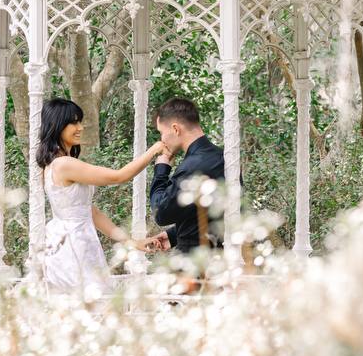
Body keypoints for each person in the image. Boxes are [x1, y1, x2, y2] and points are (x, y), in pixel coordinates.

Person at [36, 98, 169, 295]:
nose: (80, 127)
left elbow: (91, 212)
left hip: (78, 238)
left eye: (80, 121)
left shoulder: (57, 164)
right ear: (57, 125)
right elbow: (118, 176)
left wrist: (130, 242)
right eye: (73, 122)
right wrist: (154, 150)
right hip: (74, 243)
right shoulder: (64, 164)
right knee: (88, 302)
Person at [149, 98, 228, 252]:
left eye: (162, 133)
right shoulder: (222, 157)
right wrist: (173, 235)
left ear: (175, 129)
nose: (162, 140)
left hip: (195, 260)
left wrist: (161, 170)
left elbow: (161, 213)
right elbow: (206, 215)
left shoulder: (192, 166)